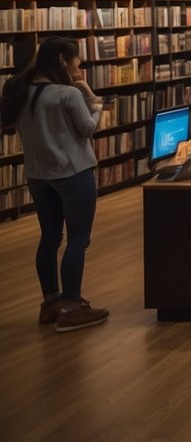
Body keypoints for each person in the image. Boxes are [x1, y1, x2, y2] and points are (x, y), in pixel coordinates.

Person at [0, 36, 108, 331]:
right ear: (62, 59)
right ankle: (73, 308)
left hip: (38, 176)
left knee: (49, 238)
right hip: (73, 173)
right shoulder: (66, 94)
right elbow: (88, 129)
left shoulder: (20, 91)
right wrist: (95, 101)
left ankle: (50, 304)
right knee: (78, 238)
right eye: (76, 59)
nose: (80, 64)